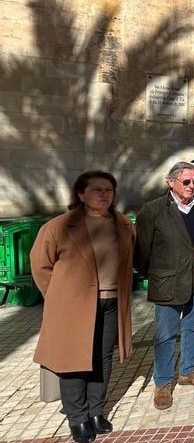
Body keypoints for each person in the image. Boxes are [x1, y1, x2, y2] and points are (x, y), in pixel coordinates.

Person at [30, 171, 134, 443]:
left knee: (102, 359)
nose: (104, 194)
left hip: (111, 303)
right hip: (73, 307)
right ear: (80, 194)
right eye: (97, 189)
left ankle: (97, 411)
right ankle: (77, 418)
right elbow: (40, 265)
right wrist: (58, 297)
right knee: (74, 361)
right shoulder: (59, 226)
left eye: (109, 189)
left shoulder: (122, 223)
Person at [136, 161, 194, 410]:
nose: (192, 186)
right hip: (168, 284)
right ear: (171, 182)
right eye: (187, 182)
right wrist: (157, 274)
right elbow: (142, 252)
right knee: (165, 335)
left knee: (193, 329)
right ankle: (162, 383)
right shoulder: (153, 210)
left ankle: (188, 371)